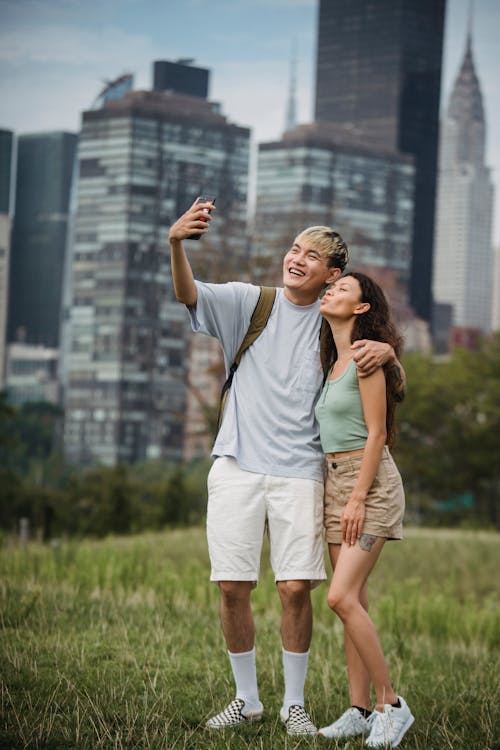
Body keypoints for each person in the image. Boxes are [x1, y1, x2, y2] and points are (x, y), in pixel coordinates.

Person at [168, 199, 403, 736]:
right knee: (232, 585)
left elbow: (376, 384)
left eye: (312, 254)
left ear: (332, 274)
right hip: (236, 465)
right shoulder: (251, 303)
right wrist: (176, 243)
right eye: (294, 248)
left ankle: (294, 704)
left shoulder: (333, 324)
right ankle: (246, 698)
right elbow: (189, 293)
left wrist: (390, 355)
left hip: (302, 470)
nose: (297, 258)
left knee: (296, 588)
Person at [315, 272, 414, 747]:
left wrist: (357, 497)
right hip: (336, 482)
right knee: (354, 600)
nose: (329, 291)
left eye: (341, 289)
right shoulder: (333, 361)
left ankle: (390, 705)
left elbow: (377, 433)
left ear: (360, 308)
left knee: (340, 597)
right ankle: (357, 711)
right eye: (329, 288)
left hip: (368, 487)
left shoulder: (365, 356)